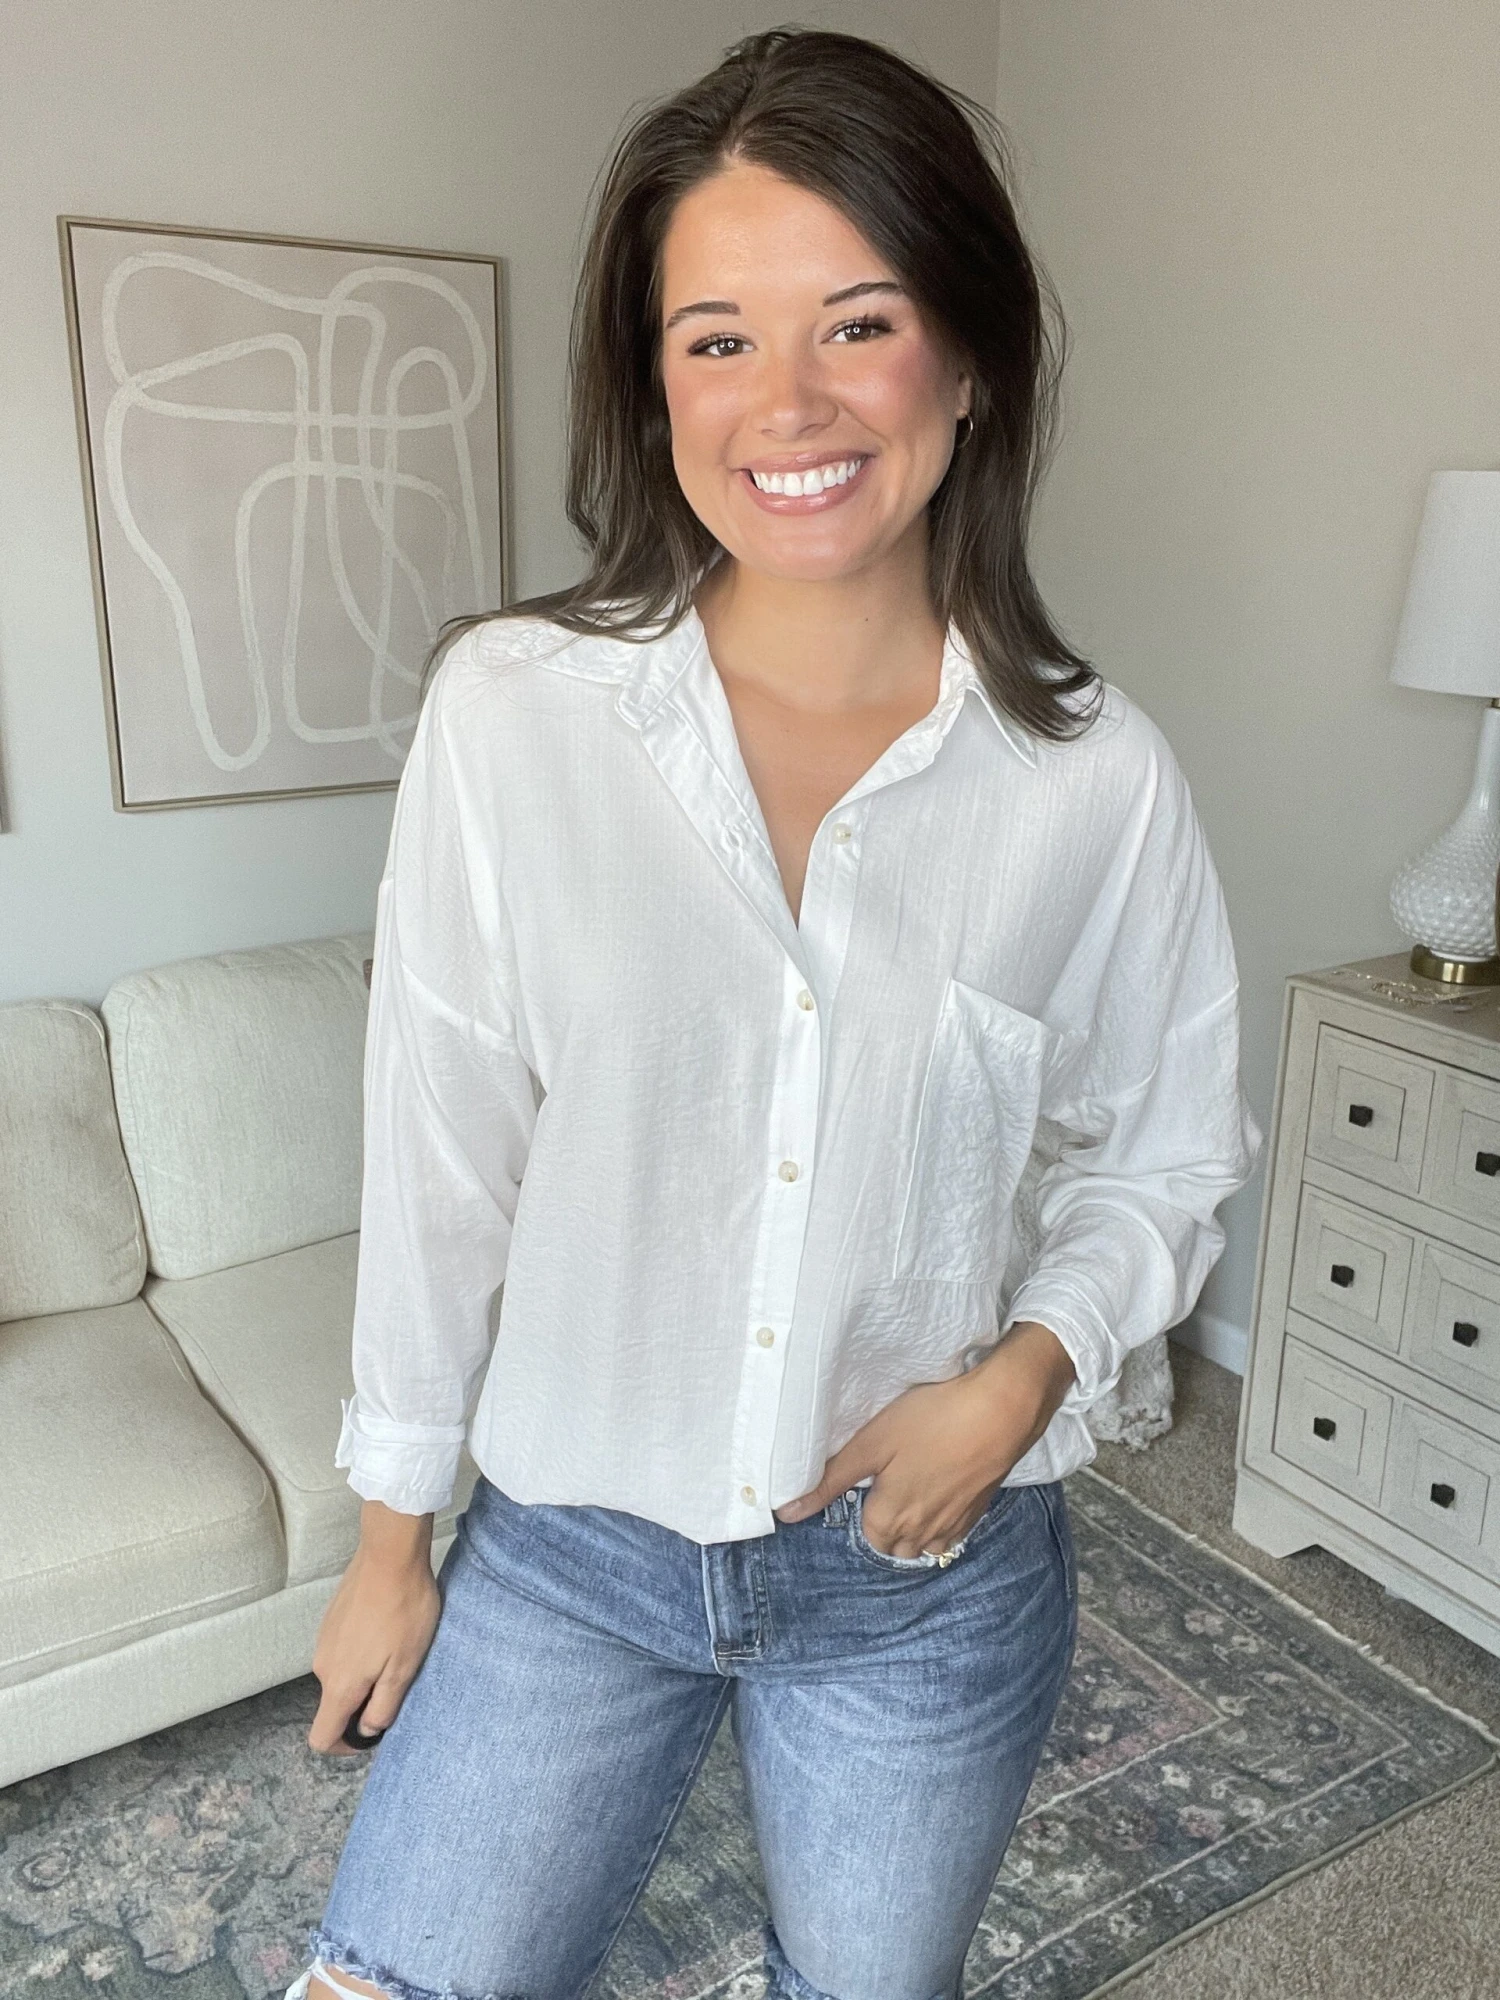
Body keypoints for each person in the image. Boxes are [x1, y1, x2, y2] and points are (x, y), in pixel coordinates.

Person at [286, 25, 1261, 2000]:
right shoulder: (514, 716)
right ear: (653, 384)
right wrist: (394, 1540)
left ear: (969, 361)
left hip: (923, 1578)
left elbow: (1171, 1150)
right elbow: (443, 1145)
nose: (788, 401)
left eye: (861, 323)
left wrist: (1023, 1377)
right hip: (573, 1546)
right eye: (717, 336)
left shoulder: (1094, 780)